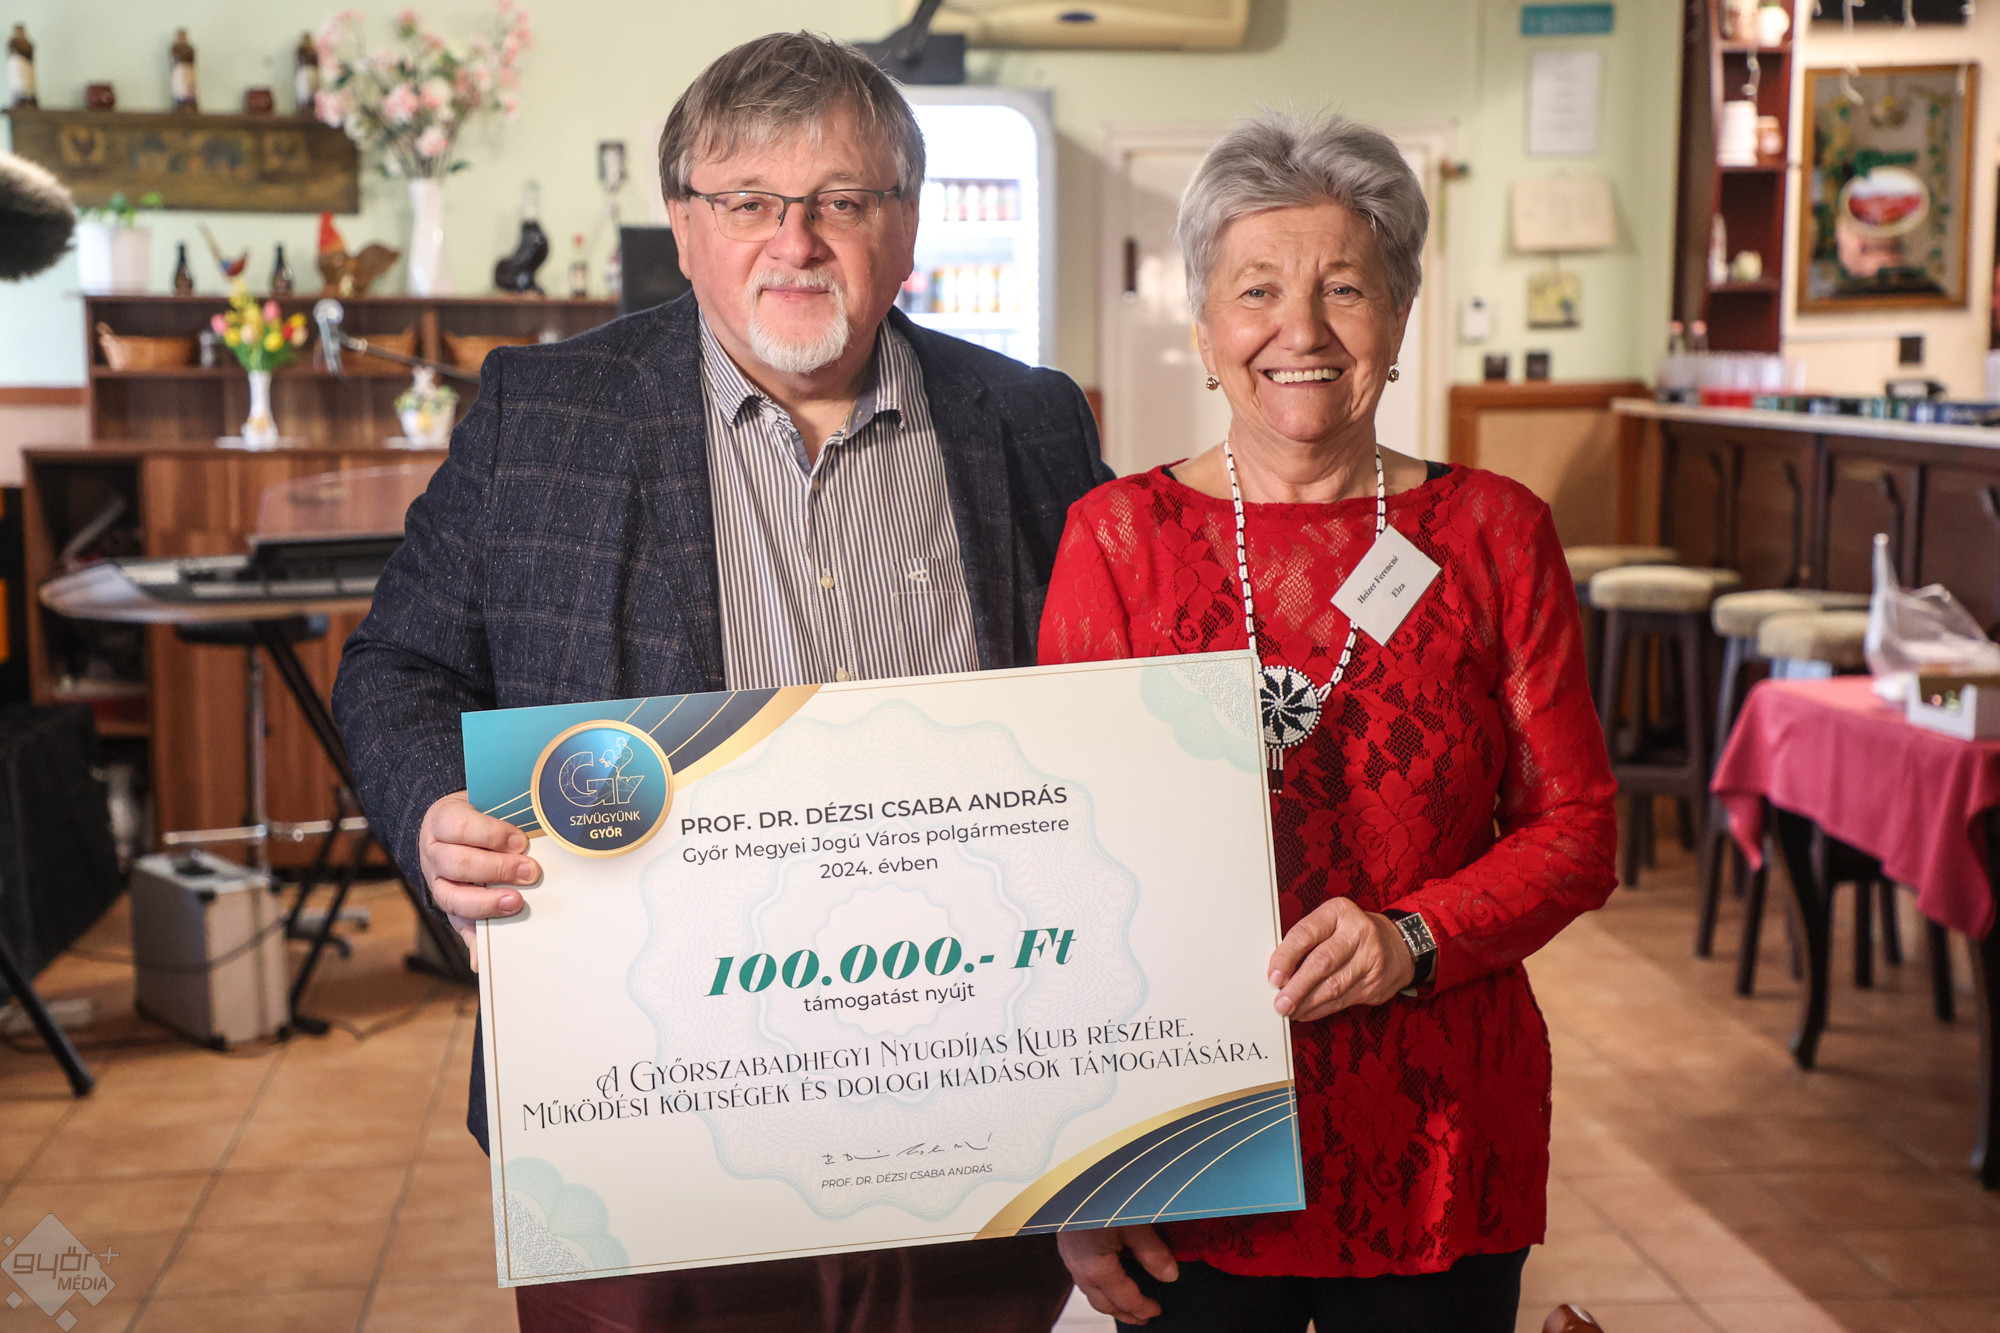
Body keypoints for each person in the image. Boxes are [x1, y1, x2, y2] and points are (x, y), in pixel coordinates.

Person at [332, 30, 1109, 1333]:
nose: (795, 241)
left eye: (842, 200)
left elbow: (1114, 703)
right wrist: (428, 814)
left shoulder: (1030, 421)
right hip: (647, 1119)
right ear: (683, 225)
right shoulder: (543, 413)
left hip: (976, 1103)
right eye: (748, 201)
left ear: (907, 224)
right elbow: (398, 663)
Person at [1037, 111, 1618, 1332]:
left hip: (1440, 1129)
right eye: (1256, 289)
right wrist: (1080, 1169)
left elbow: (1575, 829)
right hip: (1189, 1138)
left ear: (1396, 318)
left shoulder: (1495, 533)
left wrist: (1412, 936)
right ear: (1203, 325)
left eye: (1342, 288)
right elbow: (1064, 870)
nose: (1298, 330)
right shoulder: (1117, 540)